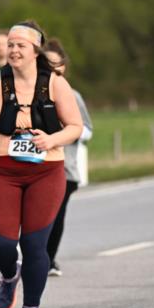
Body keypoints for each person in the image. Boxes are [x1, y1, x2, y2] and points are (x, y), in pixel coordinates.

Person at [0, 20, 83, 308]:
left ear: (35, 51)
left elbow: (75, 126)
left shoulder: (56, 84)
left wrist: (51, 140)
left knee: (35, 245)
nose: (13, 50)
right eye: (10, 44)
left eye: (20, 45)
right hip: (4, 170)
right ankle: (9, 275)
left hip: (46, 171)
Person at [43, 39, 93, 277]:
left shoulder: (73, 96)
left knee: (56, 214)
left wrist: (67, 131)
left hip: (65, 168)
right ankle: (35, 255)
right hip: (35, 166)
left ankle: (48, 259)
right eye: (47, 66)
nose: (53, 72)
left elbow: (88, 130)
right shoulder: (29, 95)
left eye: (57, 68)